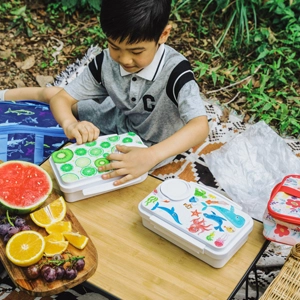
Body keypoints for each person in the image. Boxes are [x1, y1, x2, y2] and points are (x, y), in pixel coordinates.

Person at [0, 0, 209, 186]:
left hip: (154, 144)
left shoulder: (176, 72)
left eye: (136, 52)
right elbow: (62, 99)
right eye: (114, 47)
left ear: (163, 34)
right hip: (114, 119)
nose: (125, 60)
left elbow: (200, 127)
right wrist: (70, 124)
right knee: (51, 94)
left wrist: (152, 155)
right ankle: (3, 94)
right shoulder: (105, 61)